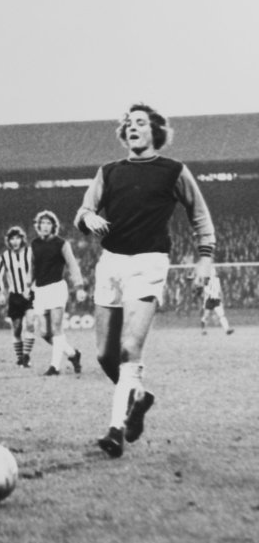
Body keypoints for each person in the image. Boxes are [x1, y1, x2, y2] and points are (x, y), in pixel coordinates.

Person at [76, 103, 216, 458]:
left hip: (149, 262)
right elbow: (84, 210)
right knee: (105, 355)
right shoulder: (108, 171)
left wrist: (205, 257)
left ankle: (115, 431)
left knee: (129, 349)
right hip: (111, 263)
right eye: (128, 123)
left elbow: (200, 215)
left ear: (155, 131)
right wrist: (88, 218)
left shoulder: (173, 171)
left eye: (140, 122)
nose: (133, 127)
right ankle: (138, 396)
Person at [30, 210, 87, 376]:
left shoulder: (61, 244)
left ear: (53, 226)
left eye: (49, 223)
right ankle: (73, 354)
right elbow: (33, 268)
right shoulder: (34, 244)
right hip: (40, 291)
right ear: (38, 225)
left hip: (56, 288)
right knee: (44, 333)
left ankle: (54, 367)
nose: (45, 226)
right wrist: (27, 286)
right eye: (43, 223)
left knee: (56, 328)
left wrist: (79, 287)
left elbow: (73, 265)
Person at [0, 226, 36, 368]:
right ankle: (20, 357)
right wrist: (0, 293)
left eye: (17, 238)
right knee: (17, 329)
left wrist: (32, 288)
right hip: (14, 296)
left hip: (30, 294)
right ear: (8, 241)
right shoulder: (5, 256)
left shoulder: (30, 253)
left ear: (22, 239)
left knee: (30, 324)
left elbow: (38, 270)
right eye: (12, 239)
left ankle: (26, 356)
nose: (15, 241)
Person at [199, 269, 234, 335]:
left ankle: (227, 329)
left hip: (216, 299)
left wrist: (221, 298)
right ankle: (203, 330)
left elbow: (219, 289)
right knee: (206, 316)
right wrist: (212, 293)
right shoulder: (207, 279)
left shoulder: (217, 280)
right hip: (209, 299)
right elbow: (205, 289)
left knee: (221, 315)